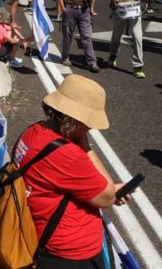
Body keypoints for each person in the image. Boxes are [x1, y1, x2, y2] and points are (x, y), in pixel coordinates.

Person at [14, 75, 134, 268]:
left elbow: (59, 182)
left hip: (39, 232)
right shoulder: (68, 154)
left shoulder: (34, 130)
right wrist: (86, 146)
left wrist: (107, 189)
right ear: (76, 119)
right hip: (69, 251)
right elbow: (107, 198)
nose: (92, 127)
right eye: (89, 122)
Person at [103, 0, 145, 78]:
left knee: (138, 38)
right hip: (119, 10)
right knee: (116, 36)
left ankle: (138, 66)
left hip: (134, 9)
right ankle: (113, 55)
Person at [56, 0, 99, 72]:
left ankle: (92, 62)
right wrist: (63, 9)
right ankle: (65, 57)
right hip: (70, 10)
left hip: (84, 10)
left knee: (86, 37)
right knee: (67, 37)